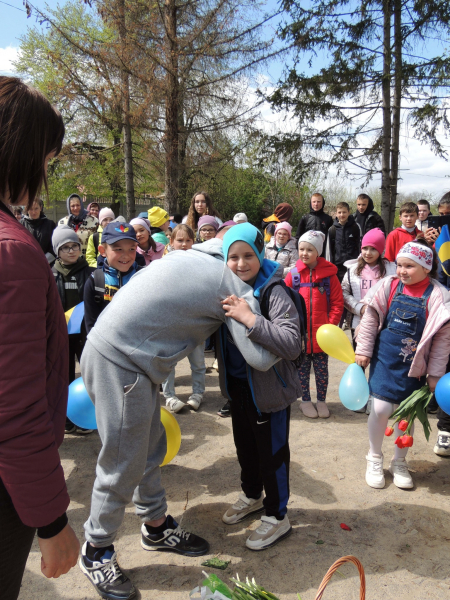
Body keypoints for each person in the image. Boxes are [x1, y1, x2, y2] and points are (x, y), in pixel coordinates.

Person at [78, 231, 283, 600]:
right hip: (122, 363)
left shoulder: (184, 254)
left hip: (120, 356)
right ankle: (96, 549)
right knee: (124, 460)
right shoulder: (229, 282)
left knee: (151, 445)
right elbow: (261, 358)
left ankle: (155, 526)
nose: (241, 263)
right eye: (238, 256)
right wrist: (279, 332)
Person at [0, 75, 79, 600]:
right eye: (47, 161)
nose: (45, 176)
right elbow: (14, 408)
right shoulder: (13, 255)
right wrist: (52, 523)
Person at [215, 223, 302, 550]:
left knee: (272, 455)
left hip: (270, 393)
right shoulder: (225, 288)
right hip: (238, 388)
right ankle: (252, 494)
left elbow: (292, 344)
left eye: (248, 255)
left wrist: (249, 318)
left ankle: (278, 516)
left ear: (260, 253)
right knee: (246, 449)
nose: (241, 264)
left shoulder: (273, 290)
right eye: (233, 257)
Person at [355, 239, 450, 489]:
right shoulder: (388, 286)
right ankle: (374, 455)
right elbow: (369, 319)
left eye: (409, 266)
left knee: (406, 415)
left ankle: (399, 461)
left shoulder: (439, 295)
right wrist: (363, 349)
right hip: (384, 359)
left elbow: (442, 340)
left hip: (414, 366)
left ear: (426, 268)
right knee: (381, 409)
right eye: (399, 265)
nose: (402, 271)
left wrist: (436, 374)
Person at [285, 231, 344, 419]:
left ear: (318, 252)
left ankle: (321, 401)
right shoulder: (293, 276)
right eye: (301, 249)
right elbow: (285, 303)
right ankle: (305, 401)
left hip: (322, 338)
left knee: (321, 372)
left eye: (309, 249)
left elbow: (337, 303)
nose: (304, 253)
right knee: (302, 372)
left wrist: (330, 326)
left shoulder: (329, 277)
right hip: (301, 337)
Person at [51, 226, 94, 434]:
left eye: (74, 246)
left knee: (89, 375)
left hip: (85, 335)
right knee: (63, 377)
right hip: (60, 336)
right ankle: (67, 418)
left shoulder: (92, 273)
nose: (70, 251)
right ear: (57, 251)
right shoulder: (50, 274)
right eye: (65, 247)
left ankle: (88, 416)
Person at [162, 225, 206, 412]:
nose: (184, 244)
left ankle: (198, 393)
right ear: (171, 242)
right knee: (168, 362)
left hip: (195, 322)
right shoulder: (163, 264)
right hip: (171, 322)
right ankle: (169, 396)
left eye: (188, 240)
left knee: (197, 361)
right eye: (180, 240)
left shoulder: (200, 262)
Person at [342, 228, 396, 349]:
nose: (368, 253)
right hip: (359, 322)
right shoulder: (353, 270)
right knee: (360, 358)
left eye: (373, 249)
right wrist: (359, 308)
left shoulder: (392, 270)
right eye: (365, 248)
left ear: (381, 250)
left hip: (383, 323)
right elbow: (343, 293)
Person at [325, 201, 360, 282]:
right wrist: (330, 266)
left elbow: (360, 245)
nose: (342, 215)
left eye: (344, 212)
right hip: (338, 267)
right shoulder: (332, 229)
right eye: (339, 212)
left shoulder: (356, 227)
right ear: (336, 213)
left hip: (353, 265)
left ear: (349, 212)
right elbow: (329, 250)